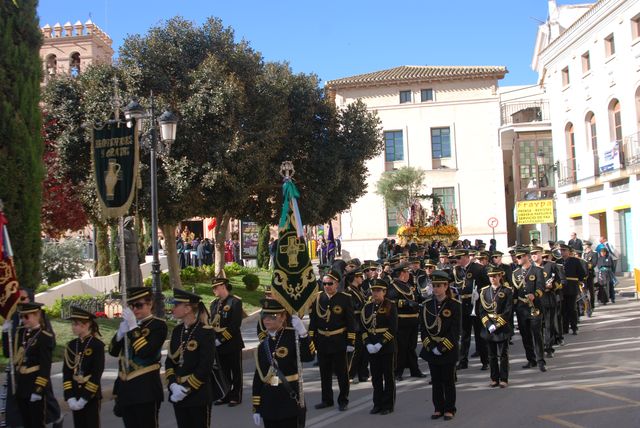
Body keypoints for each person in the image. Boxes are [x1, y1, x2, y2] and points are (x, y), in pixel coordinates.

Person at [109, 287, 168, 428]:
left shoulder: (158, 325)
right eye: (132, 305)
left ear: (150, 304)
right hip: (125, 390)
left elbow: (145, 352)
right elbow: (113, 351)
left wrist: (133, 327)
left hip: (145, 390)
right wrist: (120, 334)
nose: (135, 309)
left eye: (139, 305)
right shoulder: (129, 327)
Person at [251, 299, 315, 428]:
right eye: (264, 316)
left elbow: (309, 357)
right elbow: (259, 377)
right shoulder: (262, 346)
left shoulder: (293, 337)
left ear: (283, 316)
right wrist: (256, 408)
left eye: (272, 316)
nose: (267, 320)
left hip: (288, 399)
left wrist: (303, 334)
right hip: (269, 401)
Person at [166, 289, 215, 428]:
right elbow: (170, 361)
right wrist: (173, 385)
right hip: (177, 392)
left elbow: (205, 366)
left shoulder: (205, 332)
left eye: (176, 305)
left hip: (198, 395)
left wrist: (186, 389)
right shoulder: (177, 331)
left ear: (187, 308)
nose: (173, 308)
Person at [308, 269, 355, 411]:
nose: (327, 286)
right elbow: (313, 322)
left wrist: (350, 342)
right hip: (322, 341)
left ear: (337, 284)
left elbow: (350, 322)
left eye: (330, 283)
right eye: (324, 283)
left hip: (339, 340)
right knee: (325, 373)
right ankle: (326, 399)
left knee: (342, 373)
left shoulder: (345, 298)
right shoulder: (317, 298)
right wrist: (311, 339)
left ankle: (343, 400)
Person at [419, 270, 461, 421]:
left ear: (446, 286)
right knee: (436, 380)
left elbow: (455, 330)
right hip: (432, 348)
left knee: (448, 380)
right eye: (434, 285)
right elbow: (423, 329)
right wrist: (430, 346)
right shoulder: (427, 305)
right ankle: (438, 408)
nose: (436, 289)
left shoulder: (454, 305)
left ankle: (450, 408)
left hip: (447, 349)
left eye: (439, 286)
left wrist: (442, 347)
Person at [7, 302, 54, 428]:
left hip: (34, 385)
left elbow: (45, 367)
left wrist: (38, 390)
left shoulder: (44, 337)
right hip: (22, 386)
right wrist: (6, 333)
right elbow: (9, 353)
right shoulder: (21, 334)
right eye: (21, 317)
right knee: (26, 423)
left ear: (37, 315)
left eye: (26, 317)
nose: (23, 320)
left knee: (36, 423)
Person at [63, 306, 105, 428]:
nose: (73, 327)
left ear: (87, 325)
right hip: (75, 393)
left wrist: (84, 398)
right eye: (73, 324)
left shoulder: (97, 346)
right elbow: (67, 372)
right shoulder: (71, 345)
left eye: (76, 324)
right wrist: (69, 396)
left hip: (90, 396)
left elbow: (97, 374)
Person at [361, 279, 398, 415]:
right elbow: (363, 328)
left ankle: (388, 405)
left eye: (378, 291)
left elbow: (393, 328)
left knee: (388, 376)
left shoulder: (390, 306)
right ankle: (377, 403)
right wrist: (368, 343)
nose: (375, 293)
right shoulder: (367, 307)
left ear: (384, 292)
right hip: (372, 345)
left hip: (386, 346)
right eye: (373, 290)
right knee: (376, 377)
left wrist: (380, 343)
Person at [385, 262, 425, 381]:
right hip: (402, 321)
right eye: (407, 272)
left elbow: (415, 298)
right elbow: (391, 302)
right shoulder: (393, 286)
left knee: (411, 348)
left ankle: (414, 370)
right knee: (401, 349)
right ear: (402, 273)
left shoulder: (407, 285)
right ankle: (398, 371)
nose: (409, 274)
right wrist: (406, 303)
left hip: (413, 321)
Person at [209, 277, 244, 406]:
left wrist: (221, 339)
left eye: (216, 287)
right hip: (218, 344)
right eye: (213, 288)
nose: (214, 290)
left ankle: (236, 396)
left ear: (223, 286)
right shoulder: (214, 304)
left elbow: (235, 325)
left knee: (235, 372)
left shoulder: (235, 302)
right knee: (223, 372)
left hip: (232, 343)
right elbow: (212, 323)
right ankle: (226, 394)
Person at [452, 249, 490, 370]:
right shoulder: (456, 270)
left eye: (459, 258)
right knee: (464, 334)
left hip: (476, 304)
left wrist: (479, 293)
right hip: (463, 304)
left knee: (480, 334)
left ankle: (485, 361)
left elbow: (487, 285)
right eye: (456, 258)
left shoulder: (478, 268)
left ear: (466, 257)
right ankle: (463, 361)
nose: (457, 260)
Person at [512, 246, 546, 372]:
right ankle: (530, 359)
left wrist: (535, 295)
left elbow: (541, 288)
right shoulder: (515, 273)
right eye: (517, 257)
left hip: (534, 307)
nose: (518, 259)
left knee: (537, 334)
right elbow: (515, 293)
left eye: (520, 257)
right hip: (522, 308)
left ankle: (540, 360)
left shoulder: (537, 270)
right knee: (525, 334)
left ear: (527, 257)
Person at [479, 267, 513, 388]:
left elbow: (508, 310)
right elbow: (482, 311)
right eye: (490, 276)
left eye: (495, 276)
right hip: (489, 327)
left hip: (502, 326)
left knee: (503, 354)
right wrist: (489, 325)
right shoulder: (484, 292)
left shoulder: (507, 291)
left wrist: (497, 324)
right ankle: (494, 378)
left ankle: (504, 379)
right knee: (491, 355)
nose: (492, 278)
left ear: (500, 276)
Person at [532, 247, 560, 358]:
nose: (534, 255)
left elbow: (559, 281)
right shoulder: (530, 268)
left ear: (541, 253)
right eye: (532, 254)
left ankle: (548, 347)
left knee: (549, 325)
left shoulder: (550, 266)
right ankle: (539, 347)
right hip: (536, 301)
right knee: (537, 326)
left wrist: (552, 286)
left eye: (536, 253)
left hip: (548, 298)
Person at [346, 269, 369, 383]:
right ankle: (349, 374)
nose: (362, 278)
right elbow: (353, 309)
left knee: (363, 350)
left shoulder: (357, 289)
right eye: (360, 276)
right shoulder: (349, 291)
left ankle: (363, 374)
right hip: (355, 324)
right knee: (356, 351)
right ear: (355, 277)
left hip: (361, 323)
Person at [558, 244, 587, 335]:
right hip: (561, 288)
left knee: (572, 308)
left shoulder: (575, 261)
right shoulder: (558, 261)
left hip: (571, 286)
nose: (562, 252)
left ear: (569, 251)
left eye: (564, 250)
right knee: (563, 308)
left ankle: (574, 327)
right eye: (561, 250)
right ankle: (564, 328)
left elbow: (582, 274)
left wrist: (579, 281)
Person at [582, 241, 597, 310]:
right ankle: (587, 305)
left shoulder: (594, 253)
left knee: (591, 290)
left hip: (590, 273)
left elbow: (593, 264)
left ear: (588, 246)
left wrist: (586, 266)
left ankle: (592, 305)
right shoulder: (585, 254)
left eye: (584, 245)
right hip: (584, 274)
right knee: (584, 290)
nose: (583, 246)